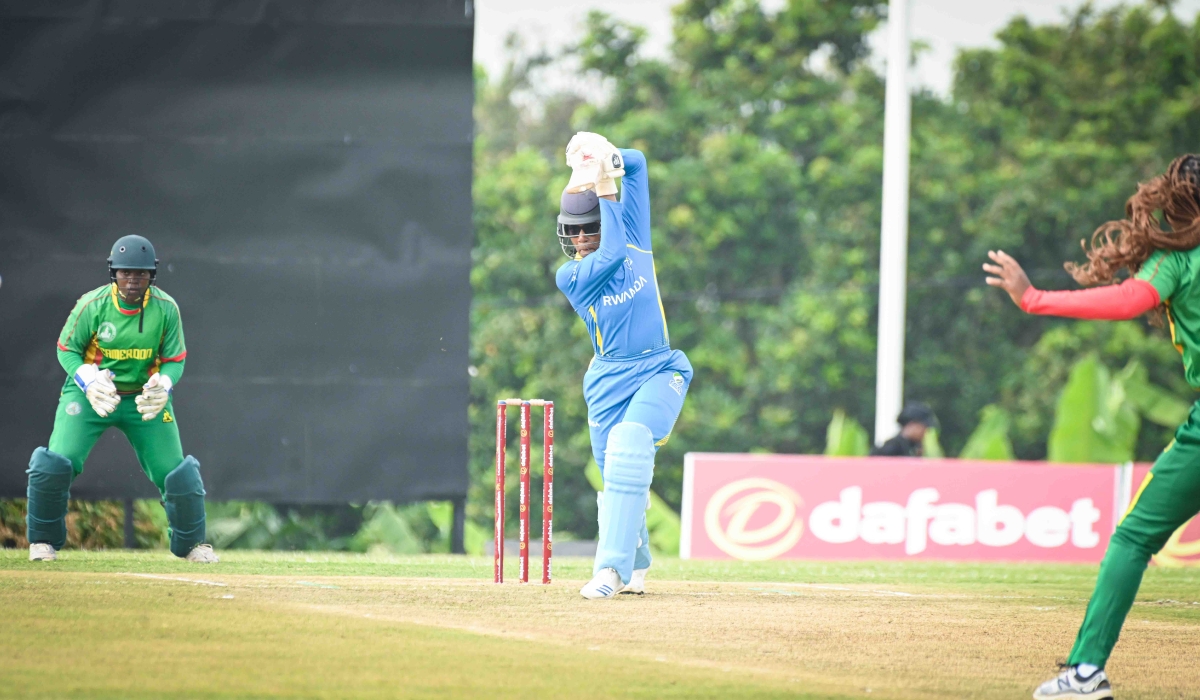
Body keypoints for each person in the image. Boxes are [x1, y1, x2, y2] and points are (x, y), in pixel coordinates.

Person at [984, 154, 1200, 700]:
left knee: (1133, 537)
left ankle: (1085, 674)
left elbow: (1129, 299)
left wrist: (1033, 298)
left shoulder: (1178, 260)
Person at [554, 132, 692, 599]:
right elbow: (609, 255)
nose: (580, 240)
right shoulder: (572, 275)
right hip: (607, 380)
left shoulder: (633, 237)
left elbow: (638, 164)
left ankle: (609, 571)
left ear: (604, 222)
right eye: (572, 231)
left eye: (588, 228)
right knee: (616, 476)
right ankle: (636, 566)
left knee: (631, 442)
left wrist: (602, 155)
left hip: (660, 368)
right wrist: (601, 183)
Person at [25, 235, 216, 563]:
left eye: (140, 274)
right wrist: (87, 380)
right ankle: (42, 542)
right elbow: (66, 349)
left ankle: (192, 545)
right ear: (114, 272)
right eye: (126, 273)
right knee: (55, 463)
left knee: (176, 472)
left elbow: (175, 359)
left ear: (151, 275)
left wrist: (164, 384)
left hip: (144, 399)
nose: (132, 280)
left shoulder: (166, 308)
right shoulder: (92, 305)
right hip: (92, 394)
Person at [870, 402, 938, 456]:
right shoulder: (891, 448)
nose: (925, 431)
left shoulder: (914, 447)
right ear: (911, 424)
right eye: (923, 427)